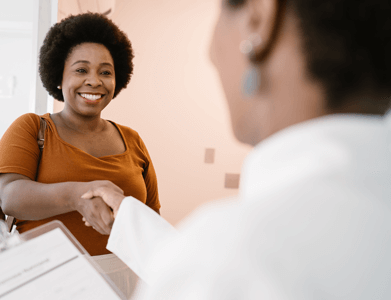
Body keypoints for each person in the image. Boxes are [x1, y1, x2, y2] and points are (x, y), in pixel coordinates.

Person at [81, 0, 391, 298]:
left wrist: (199, 260)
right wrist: (127, 217)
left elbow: (228, 267)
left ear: (259, 18)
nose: (212, 54)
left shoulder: (231, 261)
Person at [0, 13, 160, 296]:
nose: (94, 81)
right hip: (47, 280)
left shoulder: (132, 140)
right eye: (81, 70)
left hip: (123, 284)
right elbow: (10, 197)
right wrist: (80, 195)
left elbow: (150, 215)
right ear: (59, 77)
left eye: (105, 72)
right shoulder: (32, 128)